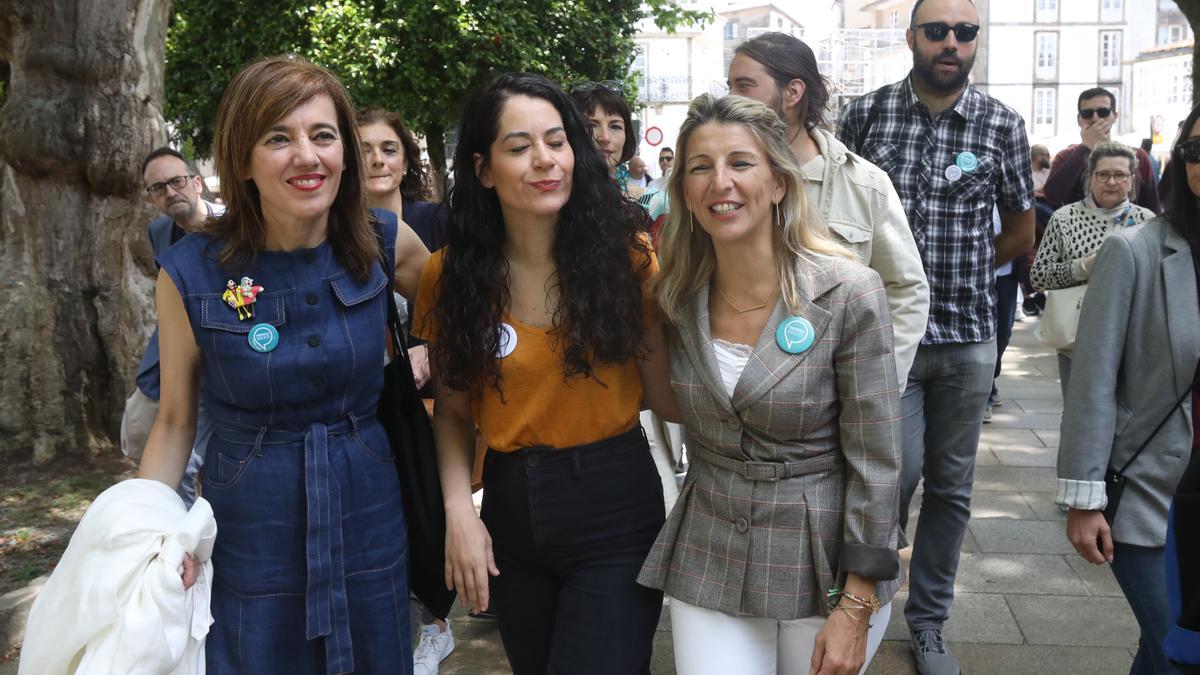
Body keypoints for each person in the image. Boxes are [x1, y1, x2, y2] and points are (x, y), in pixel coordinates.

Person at [138, 55, 430, 674]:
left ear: (344, 154)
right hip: (249, 518)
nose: (307, 156)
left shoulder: (382, 240)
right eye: (279, 138)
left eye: (323, 136)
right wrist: (154, 538)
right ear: (242, 160)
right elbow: (173, 421)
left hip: (369, 506)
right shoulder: (189, 273)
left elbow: (472, 311)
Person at [413, 72, 677, 675]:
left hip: (616, 504)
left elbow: (669, 397)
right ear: (483, 169)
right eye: (518, 147)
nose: (544, 161)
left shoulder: (628, 259)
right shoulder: (450, 276)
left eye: (556, 142)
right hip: (510, 512)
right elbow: (453, 413)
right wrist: (461, 513)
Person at [637, 93, 901, 675]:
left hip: (826, 556)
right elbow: (662, 404)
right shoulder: (672, 299)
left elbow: (877, 459)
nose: (719, 182)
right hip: (712, 543)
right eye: (700, 167)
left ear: (779, 183)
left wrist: (856, 605)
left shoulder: (847, 291)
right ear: (683, 189)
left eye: (740, 163)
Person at [838, 0, 1036, 671]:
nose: (952, 42)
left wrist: (969, 270)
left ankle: (928, 621)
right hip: (885, 337)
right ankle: (860, 599)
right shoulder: (865, 116)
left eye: (966, 31)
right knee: (894, 476)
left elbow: (1019, 227)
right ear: (911, 37)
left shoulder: (1001, 123)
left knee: (951, 487)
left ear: (977, 41)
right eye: (938, 30)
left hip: (967, 336)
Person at [1056, 102, 1200, 675]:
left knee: (1162, 648)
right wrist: (1083, 497)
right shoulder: (1135, 251)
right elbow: (1091, 381)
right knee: (1175, 649)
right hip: (1155, 492)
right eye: (1195, 149)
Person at [728, 31, 929, 387]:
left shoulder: (865, 184)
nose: (731, 98)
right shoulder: (720, 183)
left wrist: (877, 383)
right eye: (730, 86)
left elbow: (906, 290)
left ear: (793, 92)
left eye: (745, 86)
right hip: (737, 391)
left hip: (833, 398)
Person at [356, 107, 454, 673]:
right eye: (364, 147)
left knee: (427, 504)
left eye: (388, 147)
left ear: (404, 158)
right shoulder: (331, 224)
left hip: (426, 394)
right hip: (370, 398)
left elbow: (456, 302)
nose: (376, 159)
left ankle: (435, 624)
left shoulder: (429, 222)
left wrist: (427, 349)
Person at [121, 147, 224, 505]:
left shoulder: (236, 224)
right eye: (158, 187)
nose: (170, 192)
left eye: (177, 181)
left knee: (210, 462)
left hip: (228, 361)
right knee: (179, 466)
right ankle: (179, 538)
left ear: (196, 183)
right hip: (183, 362)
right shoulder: (160, 232)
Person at [1030, 142, 1156, 397]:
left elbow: (1158, 280)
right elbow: (1039, 275)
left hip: (1131, 336)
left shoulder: (1147, 222)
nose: (1111, 182)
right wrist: (1083, 267)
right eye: (1103, 174)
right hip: (1077, 337)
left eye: (1120, 175)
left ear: (1131, 179)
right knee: (1080, 412)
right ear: (1091, 177)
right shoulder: (1065, 219)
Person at [1043, 87, 1161, 214]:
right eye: (1087, 113)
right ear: (1079, 119)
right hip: (1079, 231)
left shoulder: (1137, 156)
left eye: (1103, 112)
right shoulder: (1066, 156)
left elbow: (1152, 207)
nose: (1095, 118)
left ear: (1115, 116)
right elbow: (1052, 196)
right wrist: (1085, 147)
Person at [570, 82, 645, 200]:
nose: (604, 138)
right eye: (591, 126)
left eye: (615, 126)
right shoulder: (551, 202)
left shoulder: (653, 204)